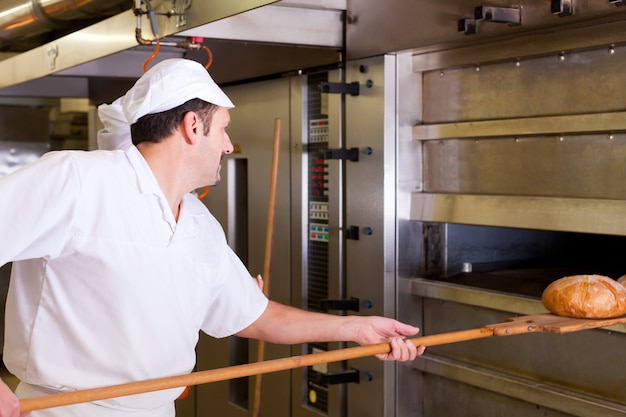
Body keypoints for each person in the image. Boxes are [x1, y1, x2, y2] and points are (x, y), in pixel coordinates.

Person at [0, 58, 425, 417]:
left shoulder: (200, 225)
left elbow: (256, 316)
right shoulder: (78, 180)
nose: (227, 145)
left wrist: (356, 328)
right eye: (222, 128)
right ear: (191, 127)